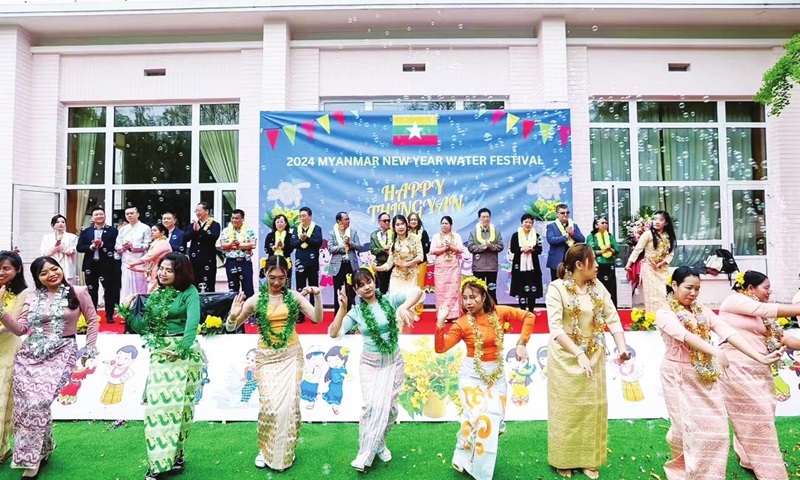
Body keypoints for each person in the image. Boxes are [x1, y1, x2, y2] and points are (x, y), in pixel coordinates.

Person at [655, 266, 783, 479]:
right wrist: (715, 351)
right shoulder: (664, 313)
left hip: (705, 376)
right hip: (678, 377)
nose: (694, 293)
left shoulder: (701, 310)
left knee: (717, 433)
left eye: (697, 288)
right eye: (689, 288)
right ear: (674, 285)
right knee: (685, 431)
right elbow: (684, 335)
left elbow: (726, 331)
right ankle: (684, 469)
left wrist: (759, 357)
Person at [0, 256, 99, 478]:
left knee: (39, 401)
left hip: (63, 351)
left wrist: (90, 349)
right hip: (30, 354)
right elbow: (20, 329)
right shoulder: (33, 297)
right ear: (37, 278)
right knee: (27, 406)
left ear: (61, 269)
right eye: (43, 273)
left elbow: (92, 320)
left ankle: (31, 460)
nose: (51, 274)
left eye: (54, 269)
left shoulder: (79, 291)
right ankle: (39, 453)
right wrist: (1, 312)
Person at [226, 255, 323, 472]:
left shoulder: (294, 297)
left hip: (291, 355)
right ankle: (265, 448)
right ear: (265, 275)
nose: (277, 282)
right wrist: (233, 317)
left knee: (290, 407)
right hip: (266, 358)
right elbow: (231, 328)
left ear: (287, 277)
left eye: (281, 278)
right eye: (272, 278)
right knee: (269, 407)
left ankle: (286, 450)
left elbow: (317, 318)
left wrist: (318, 297)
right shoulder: (255, 300)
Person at [435, 277, 536, 480]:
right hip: (471, 375)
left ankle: (461, 453)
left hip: (496, 375)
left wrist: (522, 342)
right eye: (464, 298)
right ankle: (479, 472)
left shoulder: (500, 313)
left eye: (473, 297)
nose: (468, 302)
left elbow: (529, 317)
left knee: (495, 422)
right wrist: (439, 323)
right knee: (480, 419)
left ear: (483, 295)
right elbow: (441, 348)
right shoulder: (463, 324)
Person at [545, 244, 628, 479]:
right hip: (565, 356)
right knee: (566, 410)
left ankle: (588, 460)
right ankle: (564, 459)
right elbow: (555, 329)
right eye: (593, 260)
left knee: (592, 409)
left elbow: (612, 318)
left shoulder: (598, 287)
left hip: (593, 353)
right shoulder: (557, 288)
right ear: (579, 265)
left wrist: (622, 348)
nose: (598, 264)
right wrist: (578, 353)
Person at [117, 252, 203, 480]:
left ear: (180, 273)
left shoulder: (190, 293)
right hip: (161, 354)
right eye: (161, 269)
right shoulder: (156, 295)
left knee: (183, 409)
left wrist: (181, 349)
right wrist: (126, 312)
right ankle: (158, 464)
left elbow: (192, 324)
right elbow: (145, 329)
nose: (163, 273)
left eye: (169, 270)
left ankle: (177, 457)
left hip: (185, 354)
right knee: (158, 410)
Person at [329, 267, 421, 472]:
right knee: (370, 406)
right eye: (360, 285)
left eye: (368, 281)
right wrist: (342, 308)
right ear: (355, 289)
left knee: (391, 409)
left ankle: (380, 442)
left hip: (393, 361)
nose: (366, 287)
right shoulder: (357, 312)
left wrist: (403, 307)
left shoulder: (389, 300)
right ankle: (364, 454)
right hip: (369, 364)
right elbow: (333, 333)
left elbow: (418, 292)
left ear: (374, 281)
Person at [718, 271, 800, 480]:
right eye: (766, 287)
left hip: (761, 369)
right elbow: (766, 309)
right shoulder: (734, 301)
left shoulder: (764, 317)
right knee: (758, 418)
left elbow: (784, 338)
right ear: (750, 289)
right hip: (736, 368)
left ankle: (748, 458)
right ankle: (772, 473)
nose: (769, 292)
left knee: (760, 417)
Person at [0, 251, 28, 465]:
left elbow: (13, 327)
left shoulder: (24, 293)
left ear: (17, 270)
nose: (1, 272)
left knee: (3, 401)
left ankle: (2, 448)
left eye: (6, 268)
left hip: (7, 351)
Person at [76, 206, 121, 324]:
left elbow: (116, 246)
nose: (99, 216)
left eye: (101, 214)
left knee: (109, 291)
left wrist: (102, 245)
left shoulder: (113, 231)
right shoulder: (86, 231)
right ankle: (92, 315)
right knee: (92, 291)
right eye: (96, 215)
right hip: (91, 265)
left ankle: (110, 315)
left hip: (107, 265)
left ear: (105, 216)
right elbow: (79, 247)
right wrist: (91, 247)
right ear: (92, 218)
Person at [625, 210, 676, 314]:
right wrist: (628, 265)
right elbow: (637, 250)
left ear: (666, 223)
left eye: (660, 220)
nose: (656, 222)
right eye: (655, 219)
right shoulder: (647, 234)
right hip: (649, 268)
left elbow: (671, 253)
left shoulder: (668, 236)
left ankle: (665, 317)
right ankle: (653, 319)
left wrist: (663, 263)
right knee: (651, 295)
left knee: (664, 293)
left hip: (662, 269)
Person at [377, 215, 423, 305]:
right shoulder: (394, 244)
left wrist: (405, 264)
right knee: (396, 305)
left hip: (411, 276)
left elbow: (420, 257)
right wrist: (375, 268)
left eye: (402, 224)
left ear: (406, 225)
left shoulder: (415, 238)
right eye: (397, 224)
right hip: (396, 277)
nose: (400, 227)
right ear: (394, 227)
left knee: (409, 306)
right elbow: (388, 265)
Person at [329, 211, 364, 316]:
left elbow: (359, 247)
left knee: (351, 290)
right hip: (338, 265)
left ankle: (351, 313)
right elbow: (330, 248)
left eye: (348, 219)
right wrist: (343, 246)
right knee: (338, 290)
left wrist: (350, 244)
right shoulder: (332, 233)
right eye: (346, 219)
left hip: (350, 264)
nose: (348, 221)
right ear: (339, 221)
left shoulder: (353, 232)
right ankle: (338, 314)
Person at [291, 206, 323, 323]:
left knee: (313, 288)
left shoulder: (316, 229)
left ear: (310, 216)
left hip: (312, 262)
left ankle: (315, 314)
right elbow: (292, 244)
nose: (302, 218)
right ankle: (300, 315)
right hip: (300, 261)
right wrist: (301, 240)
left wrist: (307, 239)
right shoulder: (296, 229)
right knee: (300, 289)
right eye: (300, 216)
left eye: (304, 216)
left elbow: (318, 242)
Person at [430, 216, 464, 322]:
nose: (444, 225)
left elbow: (460, 249)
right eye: (442, 223)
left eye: (446, 223)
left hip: (453, 267)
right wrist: (444, 248)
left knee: (453, 289)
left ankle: (453, 315)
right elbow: (432, 250)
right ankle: (441, 315)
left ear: (451, 225)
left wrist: (450, 247)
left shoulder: (456, 236)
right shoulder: (436, 236)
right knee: (441, 290)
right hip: (440, 268)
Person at [466, 208, 504, 303]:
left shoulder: (496, 232)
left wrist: (490, 246)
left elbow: (500, 246)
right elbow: (470, 248)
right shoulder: (473, 232)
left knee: (492, 292)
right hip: (478, 267)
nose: (485, 219)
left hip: (492, 267)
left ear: (490, 218)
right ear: (479, 218)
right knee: (478, 292)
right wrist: (482, 247)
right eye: (483, 217)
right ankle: (479, 313)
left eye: (487, 217)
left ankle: (493, 314)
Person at [183, 202, 221, 293]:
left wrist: (200, 230)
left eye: (199, 210)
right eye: (196, 211)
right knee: (194, 283)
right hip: (194, 260)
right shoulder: (192, 225)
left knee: (209, 284)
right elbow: (185, 238)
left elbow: (213, 238)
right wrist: (194, 231)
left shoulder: (215, 225)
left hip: (208, 260)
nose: (197, 213)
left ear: (207, 211)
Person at [509, 213, 544, 311]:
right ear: (521, 223)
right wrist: (521, 250)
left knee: (532, 290)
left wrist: (532, 250)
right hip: (519, 268)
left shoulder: (536, 235)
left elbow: (539, 250)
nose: (528, 224)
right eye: (526, 222)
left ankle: (531, 311)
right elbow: (513, 249)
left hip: (533, 268)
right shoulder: (516, 235)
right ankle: (523, 311)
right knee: (521, 290)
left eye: (530, 222)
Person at [116, 206, 151, 298]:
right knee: (126, 286)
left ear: (138, 214)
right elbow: (117, 246)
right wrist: (124, 247)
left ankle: (140, 309)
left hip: (140, 262)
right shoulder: (123, 229)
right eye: (127, 214)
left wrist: (133, 246)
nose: (129, 215)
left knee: (140, 286)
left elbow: (147, 245)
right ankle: (125, 309)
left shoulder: (145, 228)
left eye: (132, 213)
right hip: (126, 261)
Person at [221, 209, 257, 298]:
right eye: (232, 218)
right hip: (231, 262)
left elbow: (252, 244)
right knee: (233, 289)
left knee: (248, 288)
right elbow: (223, 245)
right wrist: (230, 244)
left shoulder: (249, 230)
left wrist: (238, 245)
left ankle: (249, 311)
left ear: (242, 219)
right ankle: (234, 310)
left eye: (237, 218)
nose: (234, 220)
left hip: (245, 262)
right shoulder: (226, 230)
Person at [127, 224, 172, 293]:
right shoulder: (155, 243)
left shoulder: (163, 243)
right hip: (155, 273)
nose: (151, 232)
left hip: (161, 272)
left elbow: (149, 256)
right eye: (151, 230)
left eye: (154, 230)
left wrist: (133, 263)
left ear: (162, 232)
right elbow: (150, 267)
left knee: (155, 293)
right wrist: (136, 269)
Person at [545, 204, 586, 281]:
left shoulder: (574, 226)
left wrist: (573, 233)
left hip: (571, 259)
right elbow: (551, 240)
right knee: (557, 283)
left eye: (567, 212)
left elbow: (582, 239)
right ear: (557, 214)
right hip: (557, 260)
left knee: (572, 284)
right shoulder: (551, 226)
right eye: (562, 213)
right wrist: (565, 237)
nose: (565, 215)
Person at [586, 217, 620, 307]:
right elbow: (589, 251)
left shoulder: (610, 236)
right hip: (597, 266)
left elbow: (616, 250)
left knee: (611, 288)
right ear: (596, 225)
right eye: (602, 223)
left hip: (609, 264)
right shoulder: (591, 237)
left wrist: (610, 249)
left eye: (606, 223)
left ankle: (612, 308)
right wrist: (603, 251)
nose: (605, 224)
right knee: (597, 288)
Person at [40, 214, 78, 284]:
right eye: (58, 222)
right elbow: (44, 253)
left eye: (63, 222)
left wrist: (61, 246)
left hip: (66, 266)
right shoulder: (47, 237)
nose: (61, 224)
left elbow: (72, 251)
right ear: (53, 225)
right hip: (51, 266)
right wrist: (55, 246)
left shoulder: (72, 237)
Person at [407, 212, 430, 315]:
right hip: (408, 264)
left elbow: (427, 248)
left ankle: (418, 311)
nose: (413, 221)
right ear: (408, 221)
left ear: (418, 221)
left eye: (415, 219)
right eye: (411, 219)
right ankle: (409, 310)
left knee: (419, 287)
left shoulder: (423, 233)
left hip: (420, 263)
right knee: (409, 287)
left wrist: (417, 252)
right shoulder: (405, 233)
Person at [369, 212, 394, 294]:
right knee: (382, 289)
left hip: (394, 265)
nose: (387, 222)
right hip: (380, 265)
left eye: (388, 220)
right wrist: (383, 249)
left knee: (394, 289)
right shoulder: (374, 235)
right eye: (384, 221)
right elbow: (373, 250)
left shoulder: (394, 233)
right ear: (379, 222)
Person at [264, 214, 294, 281]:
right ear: (274, 224)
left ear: (285, 223)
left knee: (286, 283)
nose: (279, 224)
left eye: (281, 222)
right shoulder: (270, 235)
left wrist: (283, 247)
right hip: (272, 262)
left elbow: (290, 250)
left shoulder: (290, 236)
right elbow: (266, 249)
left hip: (286, 262)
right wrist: (274, 247)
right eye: (277, 222)